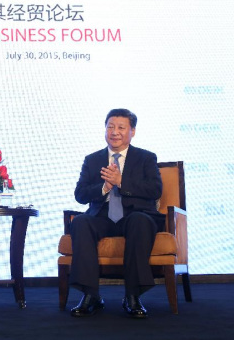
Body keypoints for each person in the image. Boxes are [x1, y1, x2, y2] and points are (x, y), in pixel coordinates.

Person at [69, 108, 165, 319]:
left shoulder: (146, 158)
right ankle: (90, 295)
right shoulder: (92, 160)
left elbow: (155, 190)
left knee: (140, 221)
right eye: (110, 127)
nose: (115, 132)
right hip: (102, 216)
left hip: (135, 215)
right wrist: (104, 188)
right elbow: (80, 194)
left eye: (121, 127)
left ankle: (133, 296)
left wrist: (121, 183)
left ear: (132, 131)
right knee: (81, 222)